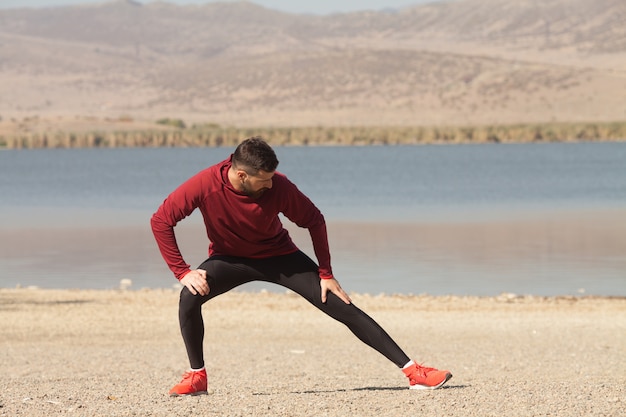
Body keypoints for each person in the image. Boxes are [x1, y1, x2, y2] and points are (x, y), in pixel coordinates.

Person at [151, 136, 452, 396]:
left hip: (280, 257)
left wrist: (326, 273)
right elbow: (161, 220)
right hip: (229, 259)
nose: (270, 184)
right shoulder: (205, 184)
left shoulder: (278, 186)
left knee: (340, 304)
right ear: (241, 175)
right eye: (264, 179)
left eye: (272, 178)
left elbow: (314, 220)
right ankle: (197, 377)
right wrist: (183, 271)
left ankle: (414, 373)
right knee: (190, 297)